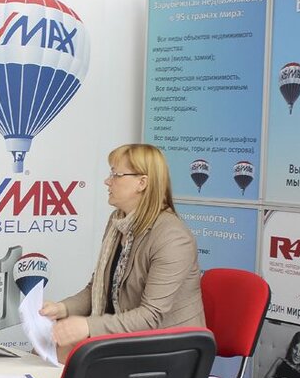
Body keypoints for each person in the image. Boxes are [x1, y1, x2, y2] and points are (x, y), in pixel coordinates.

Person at [40, 143, 205, 353]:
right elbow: (97, 288)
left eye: (116, 175)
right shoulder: (118, 222)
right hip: (126, 337)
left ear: (142, 183)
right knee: (46, 348)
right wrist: (61, 309)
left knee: (64, 356)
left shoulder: (172, 237)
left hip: (168, 348)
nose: (107, 181)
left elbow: (151, 316)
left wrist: (87, 326)